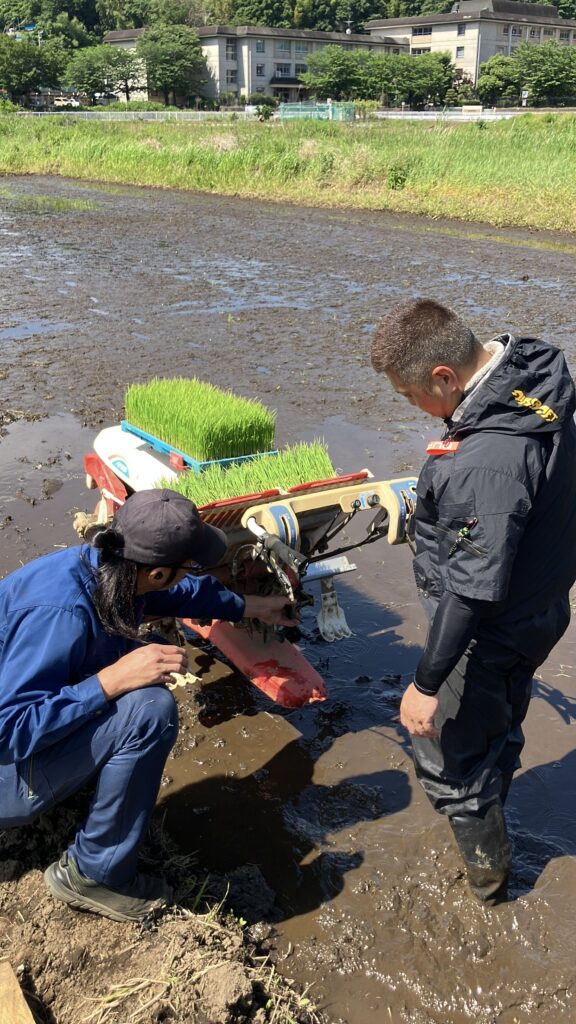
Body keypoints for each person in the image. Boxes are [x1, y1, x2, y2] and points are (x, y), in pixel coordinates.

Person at [0, 488, 293, 922]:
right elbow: (8, 731)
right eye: (186, 565)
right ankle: (93, 874)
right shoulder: (60, 612)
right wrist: (111, 681)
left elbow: (181, 594)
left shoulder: (108, 567)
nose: (187, 574)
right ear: (156, 572)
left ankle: (77, 785)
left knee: (137, 661)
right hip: (7, 772)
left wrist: (252, 606)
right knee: (148, 709)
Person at [371, 298, 576, 904]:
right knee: (499, 716)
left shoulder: (486, 463)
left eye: (410, 395)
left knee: (444, 753)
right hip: (541, 607)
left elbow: (470, 588)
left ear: (444, 376)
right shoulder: (536, 376)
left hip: (490, 629)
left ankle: (489, 883)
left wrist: (427, 683)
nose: (412, 406)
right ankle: (496, 774)